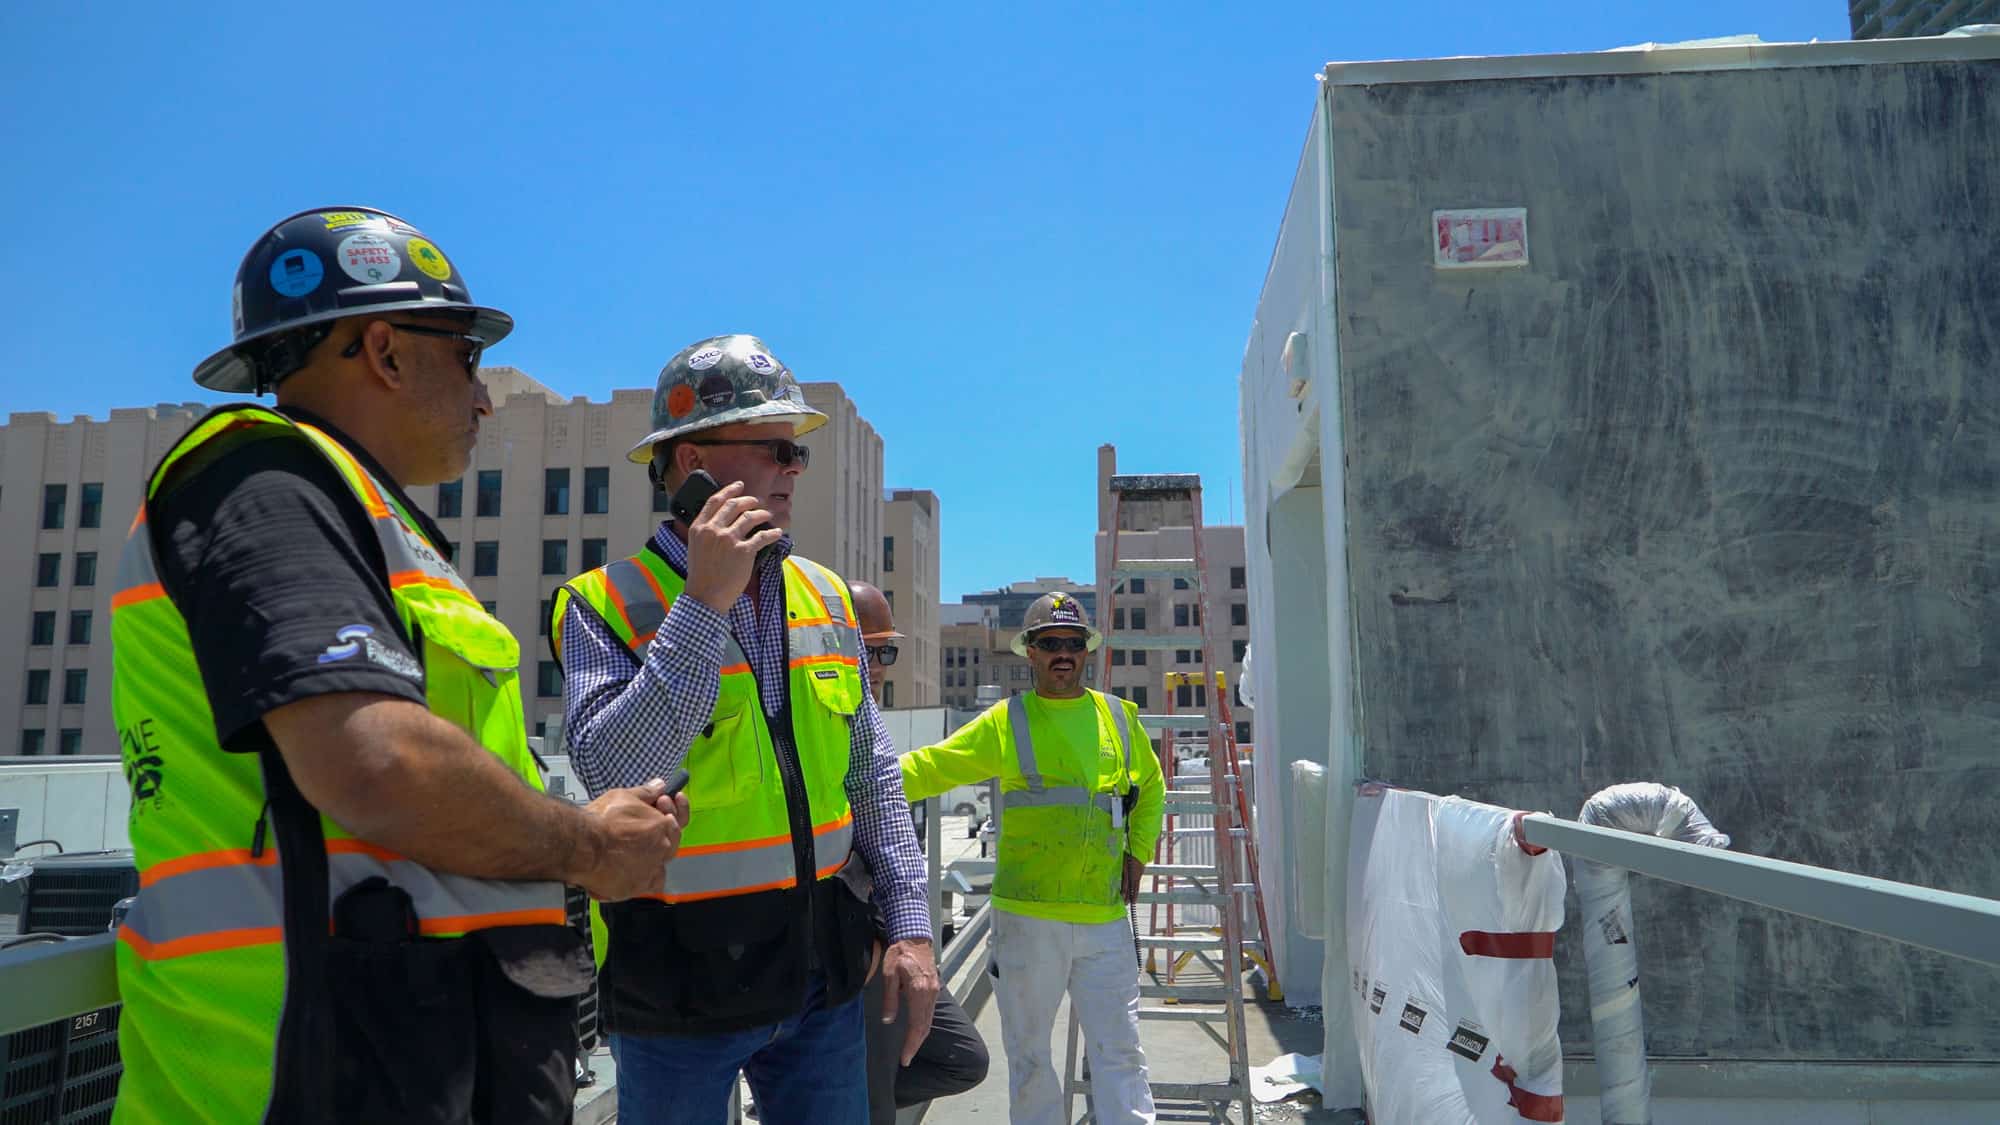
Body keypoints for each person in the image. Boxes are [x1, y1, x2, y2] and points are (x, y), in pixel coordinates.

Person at [108, 207, 691, 1125]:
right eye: (467, 357)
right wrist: (590, 848)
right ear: (383, 350)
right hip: (294, 1077)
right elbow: (373, 758)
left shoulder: (365, 516)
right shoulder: (265, 483)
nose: (485, 396)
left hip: (400, 1056)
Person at [550, 335, 938, 1125]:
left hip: (821, 978)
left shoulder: (826, 596)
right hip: (676, 990)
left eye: (796, 452)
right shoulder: (604, 602)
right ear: (692, 461)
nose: (795, 468)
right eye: (775, 448)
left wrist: (909, 926)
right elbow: (612, 769)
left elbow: (869, 773)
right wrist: (703, 605)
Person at [899, 593, 1165, 1125]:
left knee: (1121, 1055)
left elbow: (1152, 788)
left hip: (1104, 919)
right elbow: (930, 768)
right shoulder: (1008, 722)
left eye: (1072, 643)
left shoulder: (1117, 718)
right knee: (1030, 1061)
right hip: (1028, 920)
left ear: (1085, 651)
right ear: (1031, 653)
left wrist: (1138, 854)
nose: (1062, 653)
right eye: (1049, 644)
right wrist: (848, 779)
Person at [847, 581, 991, 1123]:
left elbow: (898, 788)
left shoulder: (868, 724)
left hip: (889, 941)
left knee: (964, 1060)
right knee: (873, 1105)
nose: (880, 663)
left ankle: (836, 1100)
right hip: (851, 951)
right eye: (869, 648)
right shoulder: (807, 722)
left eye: (888, 650)